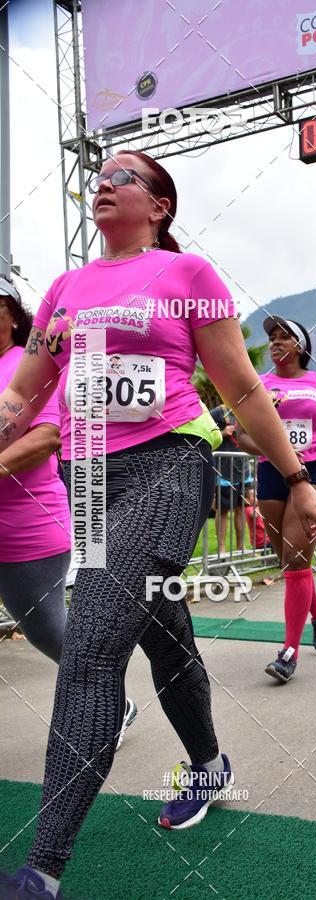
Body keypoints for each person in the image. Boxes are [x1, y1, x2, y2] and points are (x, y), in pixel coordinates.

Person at [0, 151, 316, 899]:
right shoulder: (66, 290)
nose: (105, 183)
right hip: (87, 485)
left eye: (125, 177)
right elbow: (22, 393)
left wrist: (301, 479)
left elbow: (240, 385)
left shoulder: (188, 278)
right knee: (164, 635)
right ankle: (210, 765)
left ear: (159, 206)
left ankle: (40, 870)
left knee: (90, 645)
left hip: (168, 469)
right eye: (101, 176)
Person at [0, 277, 137, 749]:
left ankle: (113, 703)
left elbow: (48, 436)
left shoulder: (29, 365)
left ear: (14, 315)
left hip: (26, 530)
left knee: (49, 632)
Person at [237, 316, 316, 683]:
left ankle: (288, 652)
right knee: (290, 563)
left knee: (296, 557)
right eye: (271, 337)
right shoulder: (259, 385)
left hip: (314, 473)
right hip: (272, 474)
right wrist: (275, 449)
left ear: (300, 346)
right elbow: (241, 436)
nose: (275, 342)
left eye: (284, 337)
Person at [210, 404, 248, 555]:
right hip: (223, 469)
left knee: (241, 508)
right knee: (223, 509)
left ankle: (241, 547)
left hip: (242, 467)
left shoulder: (242, 410)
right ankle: (222, 549)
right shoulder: (216, 412)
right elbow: (205, 436)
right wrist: (222, 433)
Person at [244, 486, 270, 550]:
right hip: (260, 541)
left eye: (257, 496)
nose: (257, 498)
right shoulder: (249, 509)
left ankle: (269, 559)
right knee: (277, 543)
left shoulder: (256, 508)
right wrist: (260, 504)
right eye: (254, 496)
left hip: (265, 539)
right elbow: (254, 515)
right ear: (247, 500)